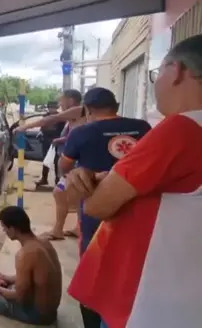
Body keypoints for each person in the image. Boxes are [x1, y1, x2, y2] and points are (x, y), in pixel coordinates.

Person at [65, 35, 202, 328]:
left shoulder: (181, 129)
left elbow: (98, 205)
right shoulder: (151, 128)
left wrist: (95, 183)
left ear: (177, 71)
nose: (156, 83)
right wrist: (110, 178)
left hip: (146, 301)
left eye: (157, 73)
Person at [57, 87, 151, 328]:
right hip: (139, 210)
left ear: (88, 110)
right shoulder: (143, 127)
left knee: (94, 271)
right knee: (132, 269)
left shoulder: (81, 132)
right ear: (116, 106)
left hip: (96, 213)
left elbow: (64, 167)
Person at [18, 89, 85, 240]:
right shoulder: (77, 115)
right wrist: (61, 140)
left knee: (60, 192)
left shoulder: (78, 110)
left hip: (79, 163)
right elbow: (74, 135)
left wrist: (24, 127)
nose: (60, 103)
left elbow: (50, 119)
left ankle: (58, 230)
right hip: (75, 161)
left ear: (70, 100)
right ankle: (76, 228)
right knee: (76, 197)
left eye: (62, 100)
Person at [35, 101, 66, 187]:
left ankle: (57, 179)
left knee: (56, 161)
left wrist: (59, 140)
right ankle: (44, 179)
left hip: (56, 141)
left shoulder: (60, 117)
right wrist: (41, 133)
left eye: (53, 107)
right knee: (46, 160)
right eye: (50, 107)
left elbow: (63, 131)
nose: (51, 109)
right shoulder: (45, 116)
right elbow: (42, 127)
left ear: (56, 108)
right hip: (46, 141)